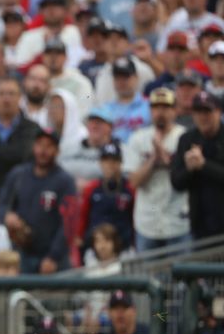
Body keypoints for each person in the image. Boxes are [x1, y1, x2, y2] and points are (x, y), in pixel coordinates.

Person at [0, 129, 77, 275]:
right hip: (22, 252)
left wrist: (54, 256)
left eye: (49, 146)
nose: (43, 151)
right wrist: (7, 216)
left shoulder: (65, 181)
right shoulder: (18, 175)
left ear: (57, 150)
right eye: (40, 145)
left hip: (52, 257)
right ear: (34, 146)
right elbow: (2, 205)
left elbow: (69, 223)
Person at [123, 87, 191, 251]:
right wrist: (154, 158)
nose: (161, 112)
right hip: (148, 221)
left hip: (178, 219)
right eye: (156, 107)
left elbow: (190, 176)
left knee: (183, 275)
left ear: (175, 110)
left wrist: (167, 159)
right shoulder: (138, 138)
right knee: (148, 276)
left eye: (166, 107)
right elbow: (134, 181)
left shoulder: (186, 137)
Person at [170, 91, 224, 240]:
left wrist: (204, 165)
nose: (203, 117)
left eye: (207, 111)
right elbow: (176, 183)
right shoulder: (187, 139)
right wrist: (190, 169)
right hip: (199, 226)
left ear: (218, 112)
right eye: (198, 112)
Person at [77, 142, 136, 253]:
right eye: (106, 160)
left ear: (120, 163)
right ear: (100, 163)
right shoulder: (91, 188)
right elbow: (83, 216)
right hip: (96, 248)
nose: (110, 164)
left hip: (123, 247)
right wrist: (80, 236)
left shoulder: (129, 189)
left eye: (114, 160)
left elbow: (135, 218)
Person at [60, 106, 118, 191]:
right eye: (91, 122)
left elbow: (122, 180)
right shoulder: (69, 147)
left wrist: (90, 186)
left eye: (99, 122)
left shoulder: (119, 151)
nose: (94, 126)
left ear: (110, 127)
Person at [100, 56, 152, 144]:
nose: (121, 82)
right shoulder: (105, 109)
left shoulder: (149, 105)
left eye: (125, 77)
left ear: (136, 78)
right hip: (114, 155)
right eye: (117, 78)